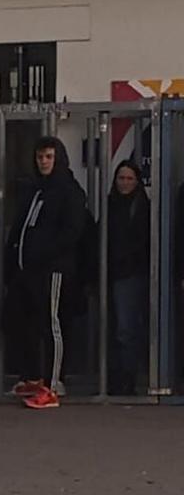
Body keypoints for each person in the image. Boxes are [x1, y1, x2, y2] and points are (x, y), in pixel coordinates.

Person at [4, 135, 90, 410]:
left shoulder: (70, 191)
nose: (43, 162)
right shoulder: (34, 190)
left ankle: (53, 386)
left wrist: (42, 254)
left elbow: (72, 232)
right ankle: (33, 376)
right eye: (40, 157)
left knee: (51, 325)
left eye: (49, 157)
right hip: (25, 271)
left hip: (52, 269)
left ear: (59, 158)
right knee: (23, 322)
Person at [105, 161, 151, 396]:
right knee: (114, 330)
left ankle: (126, 380)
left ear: (137, 181)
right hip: (110, 275)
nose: (124, 183)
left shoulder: (143, 208)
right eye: (121, 178)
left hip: (131, 275)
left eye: (129, 178)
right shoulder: (110, 205)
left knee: (126, 330)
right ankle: (114, 379)